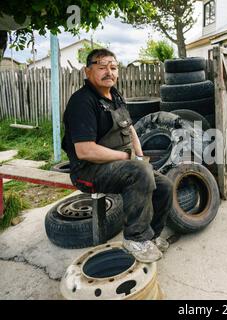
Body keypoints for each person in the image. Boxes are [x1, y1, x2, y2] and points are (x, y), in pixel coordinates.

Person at [62, 49, 173, 263]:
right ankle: (135, 239)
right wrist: (129, 159)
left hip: (122, 164)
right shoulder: (82, 102)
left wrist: (139, 158)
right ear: (87, 71)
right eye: (102, 67)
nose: (108, 72)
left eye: (113, 67)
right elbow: (84, 150)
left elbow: (130, 130)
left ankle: (151, 237)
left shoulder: (115, 96)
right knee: (139, 171)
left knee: (165, 185)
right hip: (89, 171)